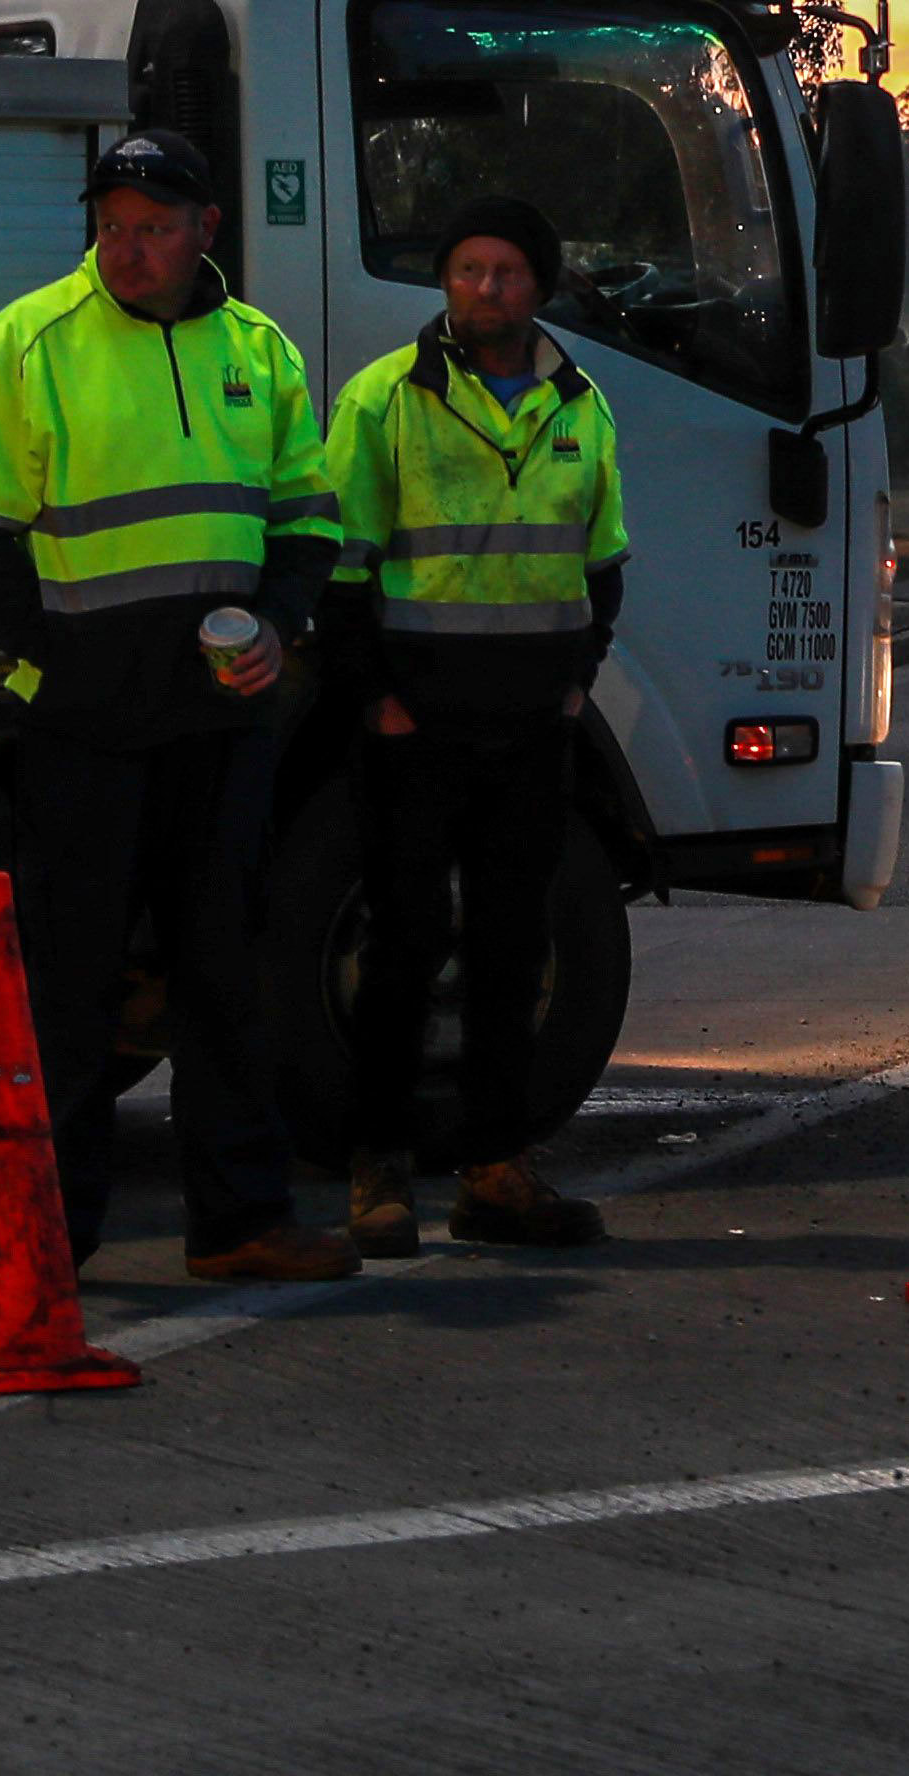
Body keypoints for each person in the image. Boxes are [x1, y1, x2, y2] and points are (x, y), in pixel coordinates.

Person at [0, 127, 355, 1283]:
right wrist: (60, 665)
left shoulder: (258, 349)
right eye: (112, 226)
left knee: (226, 978)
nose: (128, 249)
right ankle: (52, 1244)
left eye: (153, 228)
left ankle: (242, 1225)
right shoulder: (28, 342)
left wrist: (276, 624)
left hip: (220, 723)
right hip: (86, 731)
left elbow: (308, 522)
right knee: (72, 994)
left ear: (206, 231)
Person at [316, 194, 625, 1258]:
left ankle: (494, 1172)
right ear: (443, 285)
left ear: (540, 286)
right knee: (402, 953)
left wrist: (579, 681)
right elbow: (340, 565)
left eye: (504, 272)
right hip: (416, 727)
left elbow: (604, 560)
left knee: (510, 954)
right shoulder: (383, 400)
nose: (484, 288)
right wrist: (377, 701)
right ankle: (380, 1174)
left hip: (534, 729)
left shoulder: (583, 405)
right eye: (465, 271)